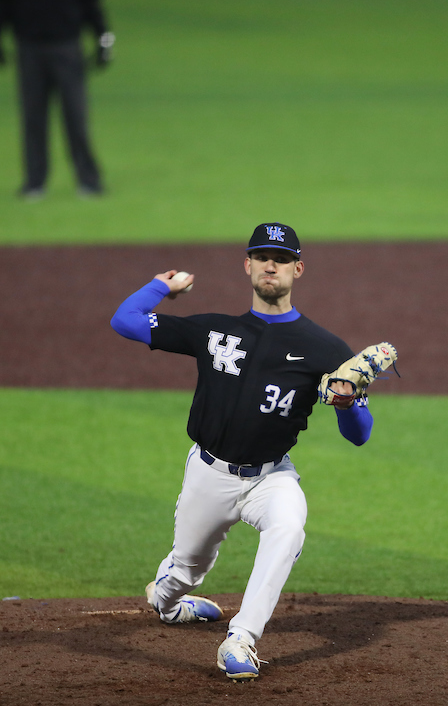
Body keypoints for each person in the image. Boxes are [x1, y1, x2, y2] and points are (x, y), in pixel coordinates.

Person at [110, 223, 378, 681]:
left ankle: (241, 640)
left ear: (298, 268)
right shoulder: (215, 332)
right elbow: (125, 321)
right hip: (209, 475)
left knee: (289, 527)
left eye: (280, 257)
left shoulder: (325, 350)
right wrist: (162, 286)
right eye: (260, 255)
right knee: (187, 572)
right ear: (247, 266)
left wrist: (348, 402)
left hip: (271, 478)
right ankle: (167, 600)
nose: (269, 264)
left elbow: (359, 435)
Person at [0, 0, 113, 199]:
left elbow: (93, 2)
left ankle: (89, 180)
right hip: (29, 48)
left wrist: (103, 40)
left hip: (67, 47)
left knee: (76, 117)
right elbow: (0, 0)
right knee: (33, 118)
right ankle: (34, 182)